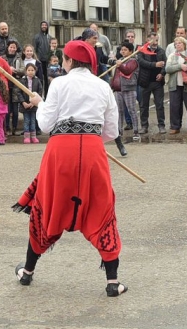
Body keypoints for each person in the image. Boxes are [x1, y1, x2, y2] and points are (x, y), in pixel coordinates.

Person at [11, 40, 127, 297]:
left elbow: (45, 124)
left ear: (70, 61)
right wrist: (90, 137)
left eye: (64, 60)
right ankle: (113, 281)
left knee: (47, 205)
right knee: (101, 205)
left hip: (60, 152)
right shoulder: (103, 86)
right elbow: (111, 131)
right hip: (93, 152)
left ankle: (27, 272)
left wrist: (40, 102)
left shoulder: (59, 83)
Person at [110, 42, 139, 156]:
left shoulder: (133, 61)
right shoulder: (119, 60)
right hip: (118, 89)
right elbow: (116, 74)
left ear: (131, 51)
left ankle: (136, 131)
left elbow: (127, 70)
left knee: (132, 110)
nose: (123, 52)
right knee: (119, 111)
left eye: (125, 50)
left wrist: (119, 65)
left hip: (129, 88)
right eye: (122, 50)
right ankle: (119, 131)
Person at [165, 37, 187, 134]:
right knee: (175, 106)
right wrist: (179, 66)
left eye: (180, 43)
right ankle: (175, 126)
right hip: (175, 85)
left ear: (184, 44)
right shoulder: (171, 55)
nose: (178, 45)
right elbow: (168, 69)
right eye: (176, 43)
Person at [137, 32, 167, 134]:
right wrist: (155, 65)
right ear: (148, 40)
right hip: (145, 82)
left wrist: (162, 74)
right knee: (143, 105)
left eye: (157, 40)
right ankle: (144, 126)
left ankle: (161, 125)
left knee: (159, 105)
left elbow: (165, 65)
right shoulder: (142, 50)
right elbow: (142, 63)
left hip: (158, 83)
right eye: (153, 40)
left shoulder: (161, 51)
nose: (155, 42)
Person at [3, 40, 24, 136]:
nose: (12, 49)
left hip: (16, 85)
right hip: (6, 85)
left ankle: (14, 128)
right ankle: (7, 127)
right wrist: (8, 70)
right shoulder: (3, 57)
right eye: (11, 47)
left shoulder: (19, 58)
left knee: (15, 110)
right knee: (7, 109)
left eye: (14, 47)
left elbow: (23, 70)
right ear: (8, 47)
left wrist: (15, 70)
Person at [17, 63, 42, 144]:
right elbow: (19, 92)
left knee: (33, 120)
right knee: (26, 120)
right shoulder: (22, 80)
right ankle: (27, 137)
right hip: (25, 105)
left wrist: (34, 103)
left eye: (32, 70)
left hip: (34, 105)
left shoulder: (37, 80)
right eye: (29, 70)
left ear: (35, 71)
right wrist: (23, 102)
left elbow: (40, 92)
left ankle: (33, 137)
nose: (30, 72)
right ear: (26, 71)